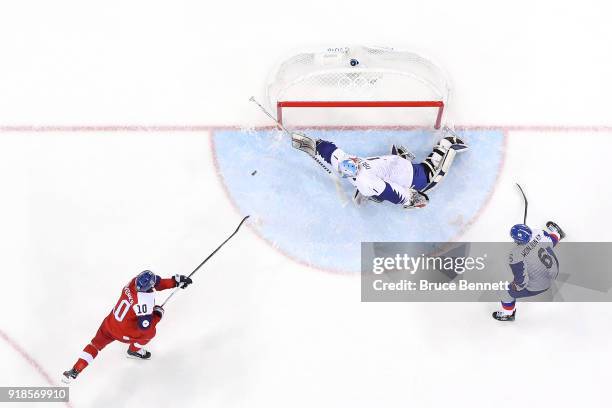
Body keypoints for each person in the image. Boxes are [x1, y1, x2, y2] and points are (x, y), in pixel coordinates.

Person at [62, 270, 192, 383]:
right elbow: (145, 327)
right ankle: (134, 351)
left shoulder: (133, 282)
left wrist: (175, 281)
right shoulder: (144, 301)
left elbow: (156, 282)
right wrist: (157, 314)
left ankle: (75, 370)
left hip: (109, 324)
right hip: (125, 334)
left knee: (95, 345)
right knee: (149, 334)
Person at [291, 126, 468, 209]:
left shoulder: (347, 163)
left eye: (354, 161)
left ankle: (444, 145)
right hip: (413, 178)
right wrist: (411, 198)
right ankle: (447, 145)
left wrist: (314, 144)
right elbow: (392, 192)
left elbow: (331, 152)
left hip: (401, 169)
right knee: (430, 173)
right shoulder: (363, 177)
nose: (355, 160)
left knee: (373, 187)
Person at [492, 221, 565, 321]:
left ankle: (508, 314)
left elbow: (520, 282)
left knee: (506, 292)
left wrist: (514, 287)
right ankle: (558, 233)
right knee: (549, 239)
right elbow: (551, 242)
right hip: (554, 272)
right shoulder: (538, 233)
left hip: (540, 286)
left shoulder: (515, 254)